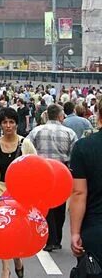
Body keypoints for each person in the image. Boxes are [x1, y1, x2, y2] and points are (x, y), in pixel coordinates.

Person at [0, 107, 37, 278]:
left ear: (17, 124)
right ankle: (5, 268)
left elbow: (35, 168)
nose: (8, 126)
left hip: (20, 192)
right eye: (4, 122)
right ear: (1, 124)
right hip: (0, 191)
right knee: (2, 229)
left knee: (15, 230)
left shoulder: (25, 144)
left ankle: (17, 258)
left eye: (11, 122)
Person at [27, 103, 77, 252]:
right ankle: (57, 239)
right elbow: (74, 153)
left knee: (44, 205)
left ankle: (48, 237)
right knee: (60, 206)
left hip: (41, 171)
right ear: (60, 116)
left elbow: (28, 148)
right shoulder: (69, 133)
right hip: (62, 172)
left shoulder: (37, 131)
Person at [69, 101, 102, 266]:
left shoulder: (83, 147)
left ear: (98, 116)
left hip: (95, 227)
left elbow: (79, 193)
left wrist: (75, 232)